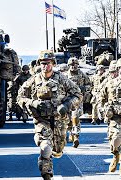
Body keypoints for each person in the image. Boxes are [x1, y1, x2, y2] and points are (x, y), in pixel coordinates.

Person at [17, 50, 82, 179]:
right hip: (42, 120)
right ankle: (46, 174)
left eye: (48, 63)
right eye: (42, 63)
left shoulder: (62, 79)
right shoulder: (33, 80)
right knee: (45, 147)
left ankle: (53, 155)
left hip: (60, 121)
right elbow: (20, 97)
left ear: (53, 64)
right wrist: (33, 103)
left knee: (57, 151)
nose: (45, 66)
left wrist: (67, 105)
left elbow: (78, 94)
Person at [65, 57, 91, 148]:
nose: (73, 66)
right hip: (67, 100)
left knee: (75, 117)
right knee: (68, 120)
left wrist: (84, 89)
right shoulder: (65, 76)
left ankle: (76, 137)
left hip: (77, 99)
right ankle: (71, 134)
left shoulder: (82, 75)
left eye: (75, 64)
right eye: (71, 65)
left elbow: (89, 85)